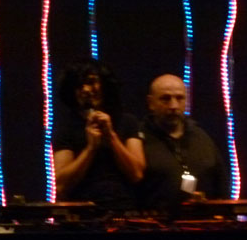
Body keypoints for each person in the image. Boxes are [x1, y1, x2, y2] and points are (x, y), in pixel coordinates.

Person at [53, 58, 145, 210]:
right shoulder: (67, 127)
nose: (85, 89)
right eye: (79, 85)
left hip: (123, 210)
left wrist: (111, 136)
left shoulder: (127, 122)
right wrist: (90, 148)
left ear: (104, 85)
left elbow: (137, 174)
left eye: (91, 82)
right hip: (81, 213)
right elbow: (61, 184)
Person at [138, 74, 229, 211]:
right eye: (165, 99)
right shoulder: (138, 139)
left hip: (203, 221)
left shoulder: (201, 137)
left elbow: (221, 184)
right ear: (150, 103)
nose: (173, 105)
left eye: (179, 98)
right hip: (154, 221)